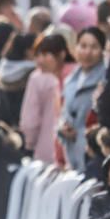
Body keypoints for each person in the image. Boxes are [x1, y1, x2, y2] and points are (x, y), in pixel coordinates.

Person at [58, 27, 107, 171]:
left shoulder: (105, 80)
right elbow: (64, 113)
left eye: (94, 47)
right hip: (71, 155)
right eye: (83, 46)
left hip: (93, 155)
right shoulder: (70, 80)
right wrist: (63, 127)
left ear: (102, 51)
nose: (87, 52)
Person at [20, 34, 71, 165]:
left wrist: (30, 143)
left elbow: (30, 120)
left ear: (61, 54)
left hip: (46, 150)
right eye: (37, 55)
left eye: (45, 54)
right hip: (72, 149)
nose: (40, 60)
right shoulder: (78, 74)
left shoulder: (37, 78)